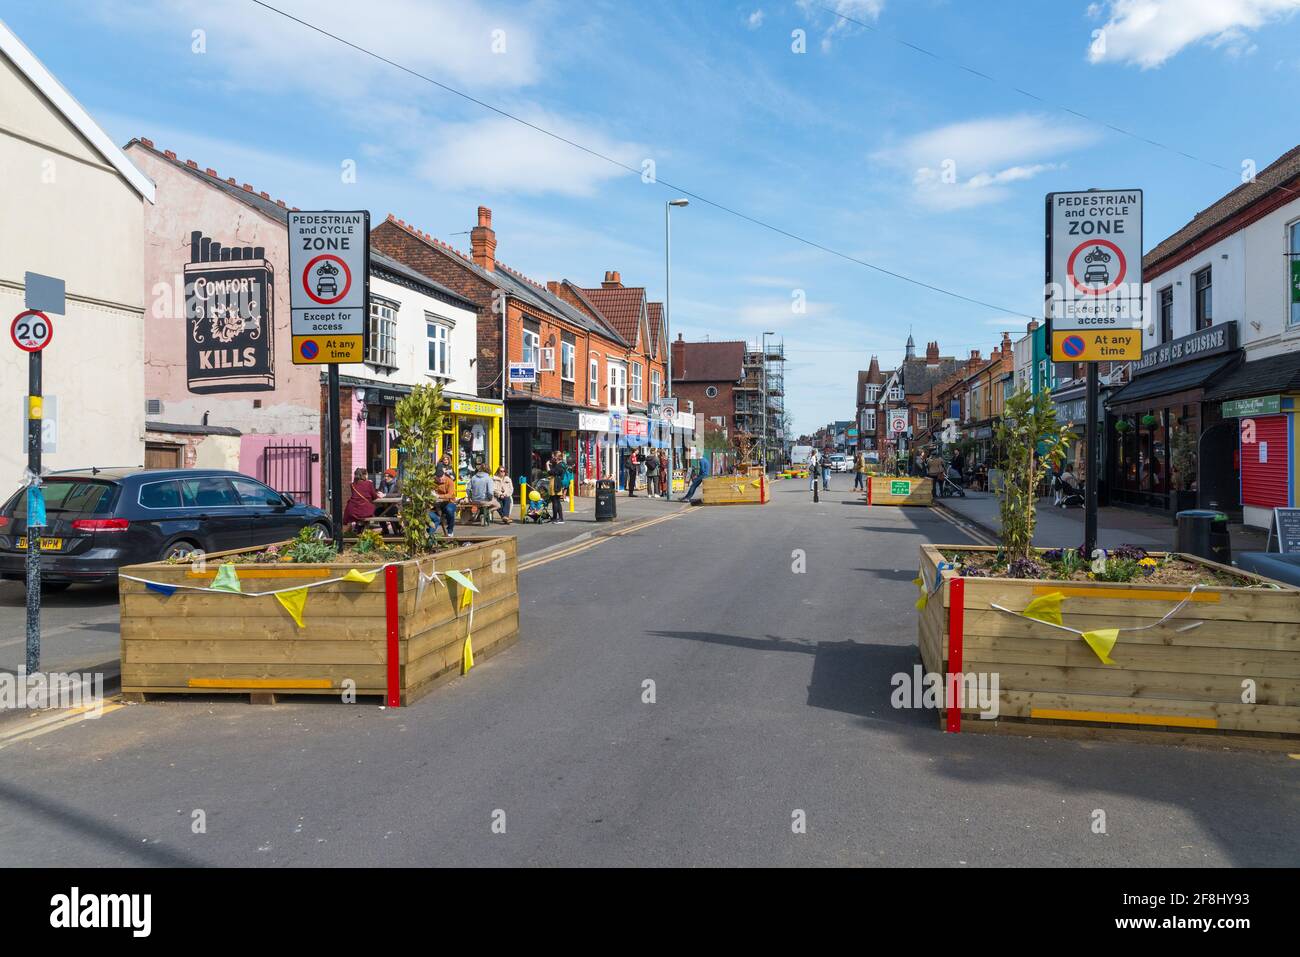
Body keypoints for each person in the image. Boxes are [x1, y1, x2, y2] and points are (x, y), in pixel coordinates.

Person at [342, 467, 378, 533]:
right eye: (367, 474)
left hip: (352, 510)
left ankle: (358, 530)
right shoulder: (368, 484)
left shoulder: (352, 485)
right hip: (364, 510)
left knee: (360, 519)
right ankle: (361, 531)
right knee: (376, 511)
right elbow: (375, 497)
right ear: (364, 475)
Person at [430, 468, 457, 537]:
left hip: (449, 502)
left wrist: (439, 496)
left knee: (449, 510)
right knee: (430, 514)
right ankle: (429, 532)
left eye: (441, 477)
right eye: (438, 478)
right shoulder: (433, 482)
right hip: (437, 503)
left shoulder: (449, 481)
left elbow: (450, 495)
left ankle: (450, 530)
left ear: (444, 475)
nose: (439, 479)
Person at [548, 451, 568, 523]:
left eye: (553, 456)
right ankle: (559, 518)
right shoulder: (561, 464)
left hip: (556, 484)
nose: (552, 457)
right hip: (558, 483)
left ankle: (556, 518)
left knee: (555, 501)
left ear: (556, 457)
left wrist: (547, 466)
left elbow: (551, 472)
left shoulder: (559, 465)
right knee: (557, 501)